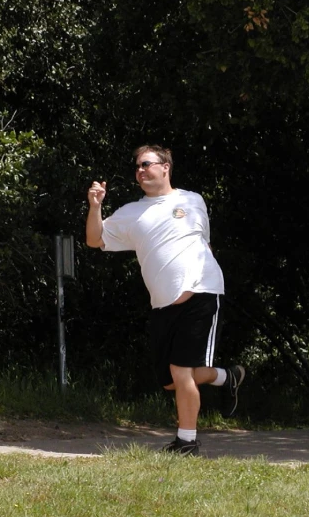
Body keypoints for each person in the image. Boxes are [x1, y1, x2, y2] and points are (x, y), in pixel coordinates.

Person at [85, 144, 246, 456]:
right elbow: (95, 239)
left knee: (182, 372)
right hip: (162, 304)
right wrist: (95, 207)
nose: (141, 171)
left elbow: (204, 244)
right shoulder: (131, 213)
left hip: (202, 292)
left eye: (146, 164)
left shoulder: (192, 200)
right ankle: (227, 378)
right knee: (171, 381)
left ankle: (186, 443)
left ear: (165, 167)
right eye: (137, 167)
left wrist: (204, 279)